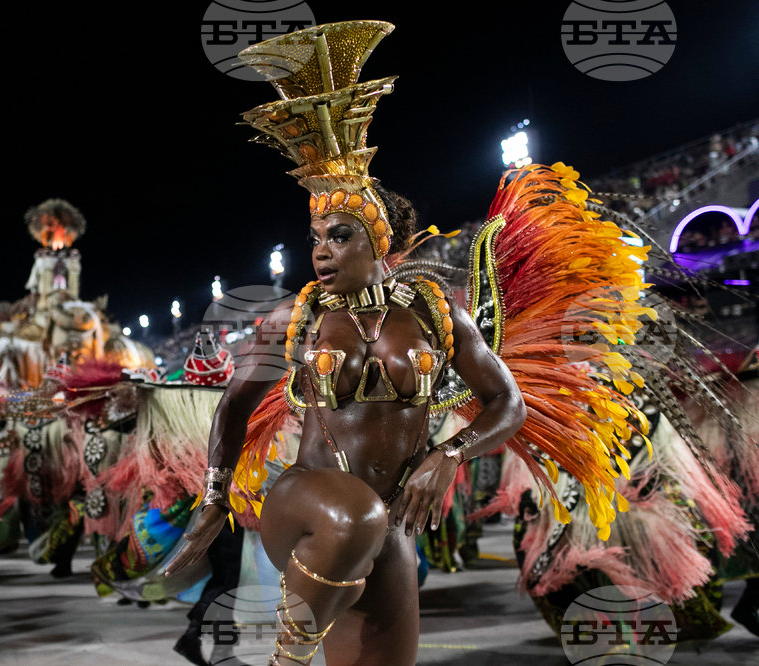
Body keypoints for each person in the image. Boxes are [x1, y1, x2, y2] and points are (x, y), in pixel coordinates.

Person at [165, 21, 657, 666]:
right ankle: (287, 657)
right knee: (355, 519)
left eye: (338, 235)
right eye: (315, 236)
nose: (320, 250)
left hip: (390, 520)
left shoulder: (434, 313)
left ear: (377, 242)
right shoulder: (292, 318)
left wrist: (450, 453)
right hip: (309, 503)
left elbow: (507, 404)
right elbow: (232, 408)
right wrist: (210, 502)